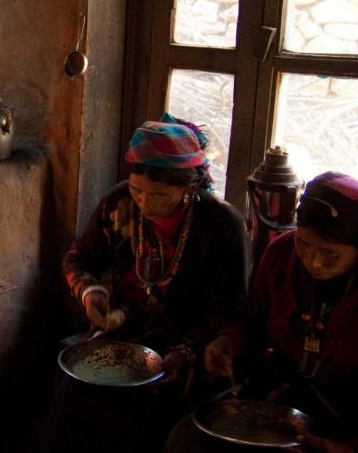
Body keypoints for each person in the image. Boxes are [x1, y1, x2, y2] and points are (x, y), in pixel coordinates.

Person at [40, 113, 249, 453]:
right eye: (138, 191)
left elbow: (230, 306)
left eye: (159, 195)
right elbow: (78, 258)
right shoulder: (119, 203)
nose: (145, 204)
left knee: (157, 410)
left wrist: (187, 350)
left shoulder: (222, 224)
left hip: (191, 345)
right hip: (126, 334)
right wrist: (90, 292)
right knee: (76, 389)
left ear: (188, 186)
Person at [179, 171, 358, 453]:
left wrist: (356, 445)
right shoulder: (281, 253)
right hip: (283, 397)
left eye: (330, 254)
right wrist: (229, 340)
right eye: (304, 244)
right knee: (187, 439)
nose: (313, 261)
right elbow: (252, 319)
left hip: (352, 415)